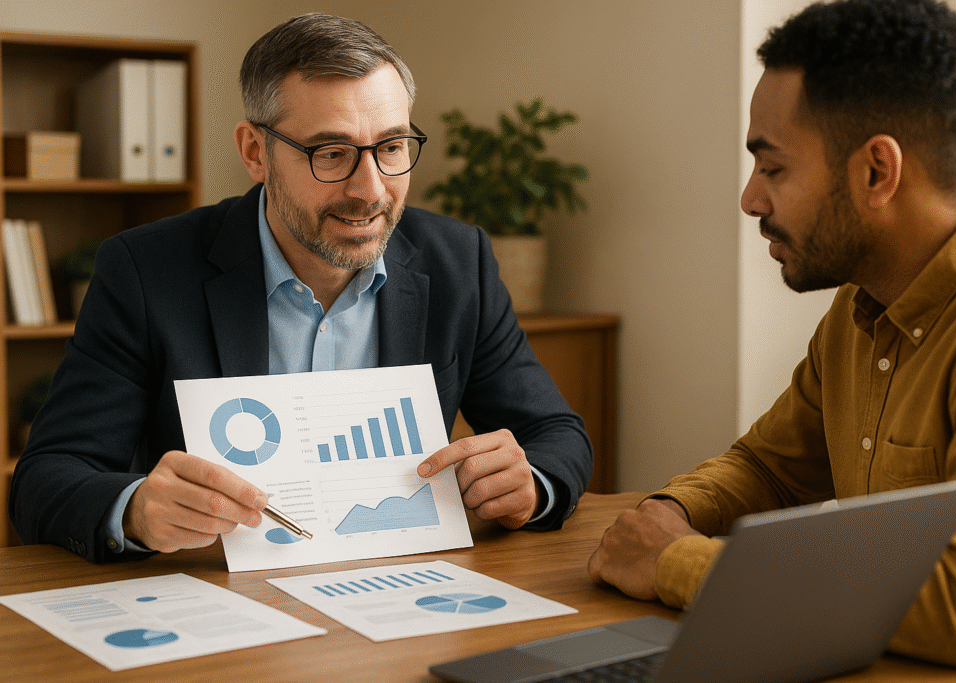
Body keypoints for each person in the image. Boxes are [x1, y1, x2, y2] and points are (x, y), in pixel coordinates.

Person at [9, 14, 592, 563]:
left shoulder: (459, 262)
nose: (371, 190)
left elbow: (556, 435)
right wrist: (134, 510)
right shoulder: (144, 270)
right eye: (331, 153)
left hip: (400, 595)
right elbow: (47, 477)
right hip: (218, 603)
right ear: (255, 152)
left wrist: (528, 484)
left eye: (390, 148)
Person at [588, 0, 956, 673]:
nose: (750, 200)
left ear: (877, 171)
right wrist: (663, 514)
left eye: (774, 168)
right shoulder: (865, 300)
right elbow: (771, 469)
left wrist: (676, 561)